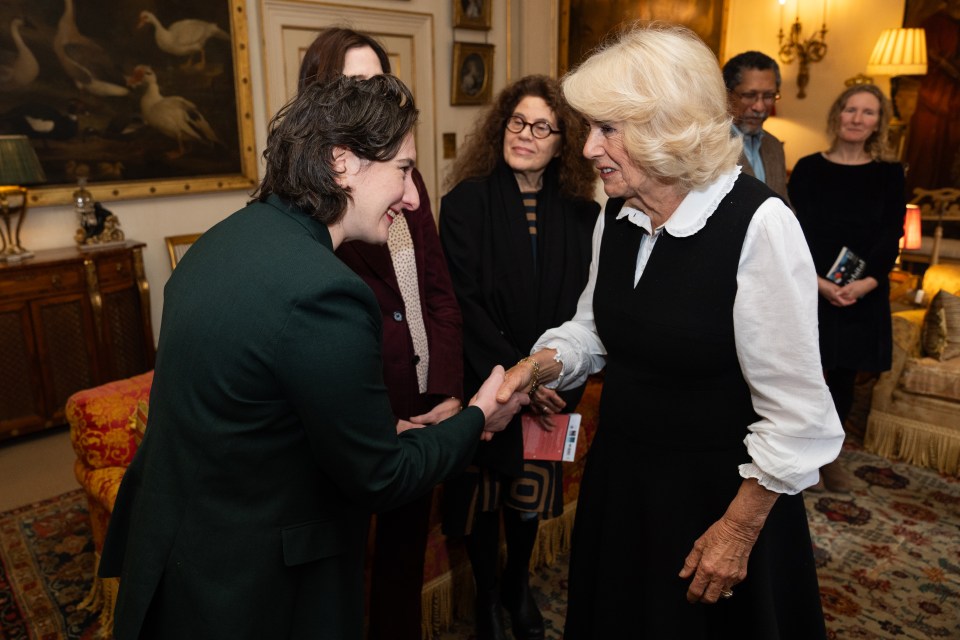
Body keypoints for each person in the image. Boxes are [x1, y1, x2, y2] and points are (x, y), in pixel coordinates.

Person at [97, 75, 527, 640]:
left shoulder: (222, 240)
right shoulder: (327, 292)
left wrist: (369, 426)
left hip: (174, 553)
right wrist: (477, 418)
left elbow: (252, 407)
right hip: (250, 588)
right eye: (403, 169)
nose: (415, 197)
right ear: (342, 163)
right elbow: (382, 479)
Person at [494, 24, 844, 639]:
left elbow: (797, 414)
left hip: (720, 497)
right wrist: (538, 366)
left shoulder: (760, 226)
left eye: (608, 129)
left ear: (668, 125)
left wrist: (736, 531)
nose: (587, 150)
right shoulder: (619, 211)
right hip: (623, 482)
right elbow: (595, 328)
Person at [297, 27, 463, 640]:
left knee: (402, 557)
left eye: (377, 82)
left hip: (421, 397)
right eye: (352, 85)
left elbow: (440, 294)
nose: (369, 97)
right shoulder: (305, 203)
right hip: (356, 407)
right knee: (337, 562)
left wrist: (445, 388)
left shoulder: (406, 184)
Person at [439, 74, 599, 640]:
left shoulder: (585, 215)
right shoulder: (464, 202)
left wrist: (553, 380)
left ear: (563, 141)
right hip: (489, 383)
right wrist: (517, 380)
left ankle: (517, 586)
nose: (525, 135)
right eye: (517, 122)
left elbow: (586, 312)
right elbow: (465, 303)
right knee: (484, 501)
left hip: (553, 385)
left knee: (528, 497)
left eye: (542, 127)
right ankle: (486, 600)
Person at [788, 84, 906, 492]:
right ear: (837, 114)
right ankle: (799, 456)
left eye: (868, 112)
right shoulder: (807, 168)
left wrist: (866, 284)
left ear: (878, 123)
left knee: (842, 379)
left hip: (862, 294)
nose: (857, 118)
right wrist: (819, 284)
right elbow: (796, 234)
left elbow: (892, 234)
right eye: (851, 109)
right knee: (804, 375)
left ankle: (829, 461)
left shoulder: (890, 174)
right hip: (809, 288)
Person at [904, 0, 960, 194]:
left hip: (955, 107)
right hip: (933, 101)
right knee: (925, 155)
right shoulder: (933, 24)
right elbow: (917, 66)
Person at [722, 51, 790, 201]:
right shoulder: (707, 144)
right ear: (726, 94)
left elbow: (783, 205)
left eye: (768, 96)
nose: (759, 107)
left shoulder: (774, 146)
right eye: (749, 95)